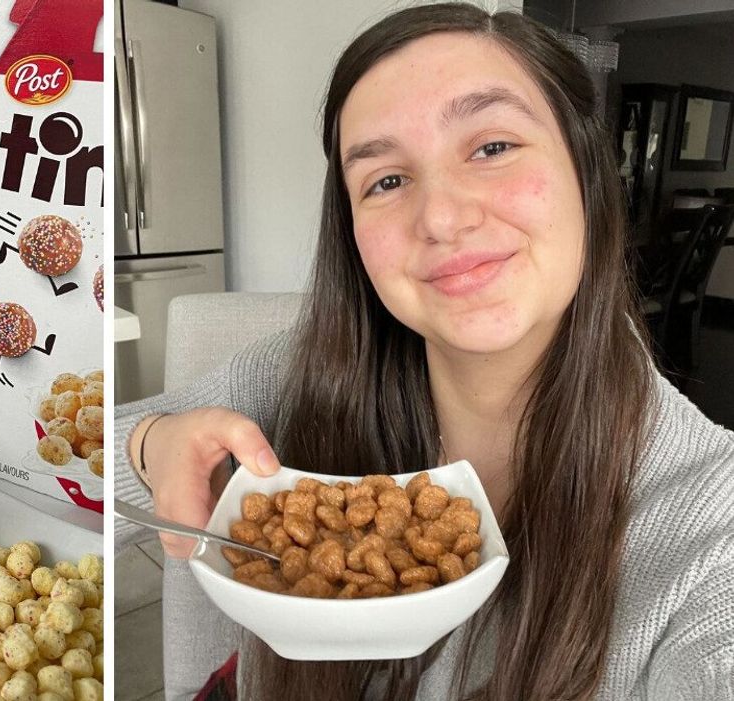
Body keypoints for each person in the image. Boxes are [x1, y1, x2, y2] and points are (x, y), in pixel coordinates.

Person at [113, 3, 734, 700]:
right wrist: (148, 443)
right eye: (384, 180)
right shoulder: (292, 377)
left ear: (587, 173)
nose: (440, 217)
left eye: (491, 147)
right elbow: (57, 455)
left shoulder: (712, 530)